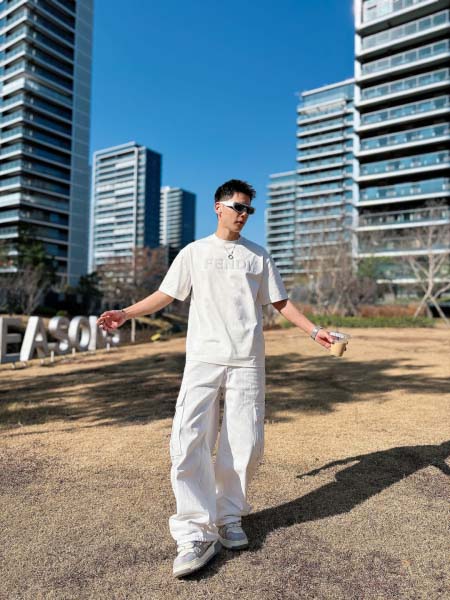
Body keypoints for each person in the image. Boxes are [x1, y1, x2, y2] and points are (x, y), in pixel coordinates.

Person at [97, 179, 334, 578]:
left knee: (246, 443)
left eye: (249, 209)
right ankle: (193, 532)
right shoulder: (194, 252)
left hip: (247, 360)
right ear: (218, 207)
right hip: (203, 358)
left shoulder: (258, 256)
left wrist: (314, 331)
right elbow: (166, 294)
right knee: (188, 439)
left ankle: (228, 517)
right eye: (238, 206)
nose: (244, 214)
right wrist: (126, 313)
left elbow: (280, 302)